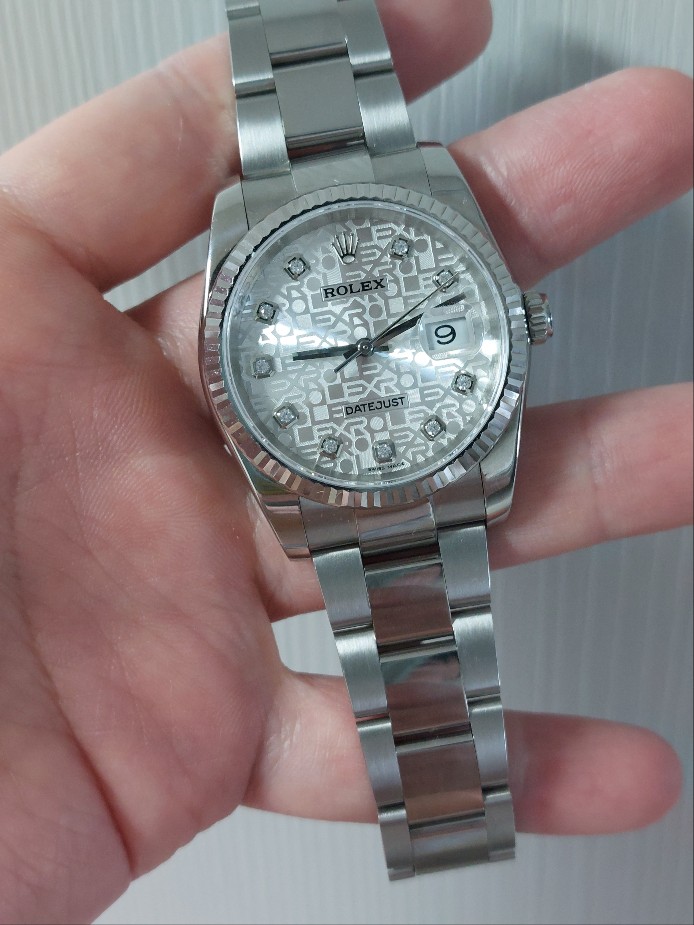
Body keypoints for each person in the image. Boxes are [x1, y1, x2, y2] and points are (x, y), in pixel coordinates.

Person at [0, 0, 691, 920]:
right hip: (339, 476)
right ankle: (447, 813)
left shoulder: (422, 201)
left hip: (433, 458)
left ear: (519, 321)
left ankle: (450, 815)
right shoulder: (252, 252)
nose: (367, 351)